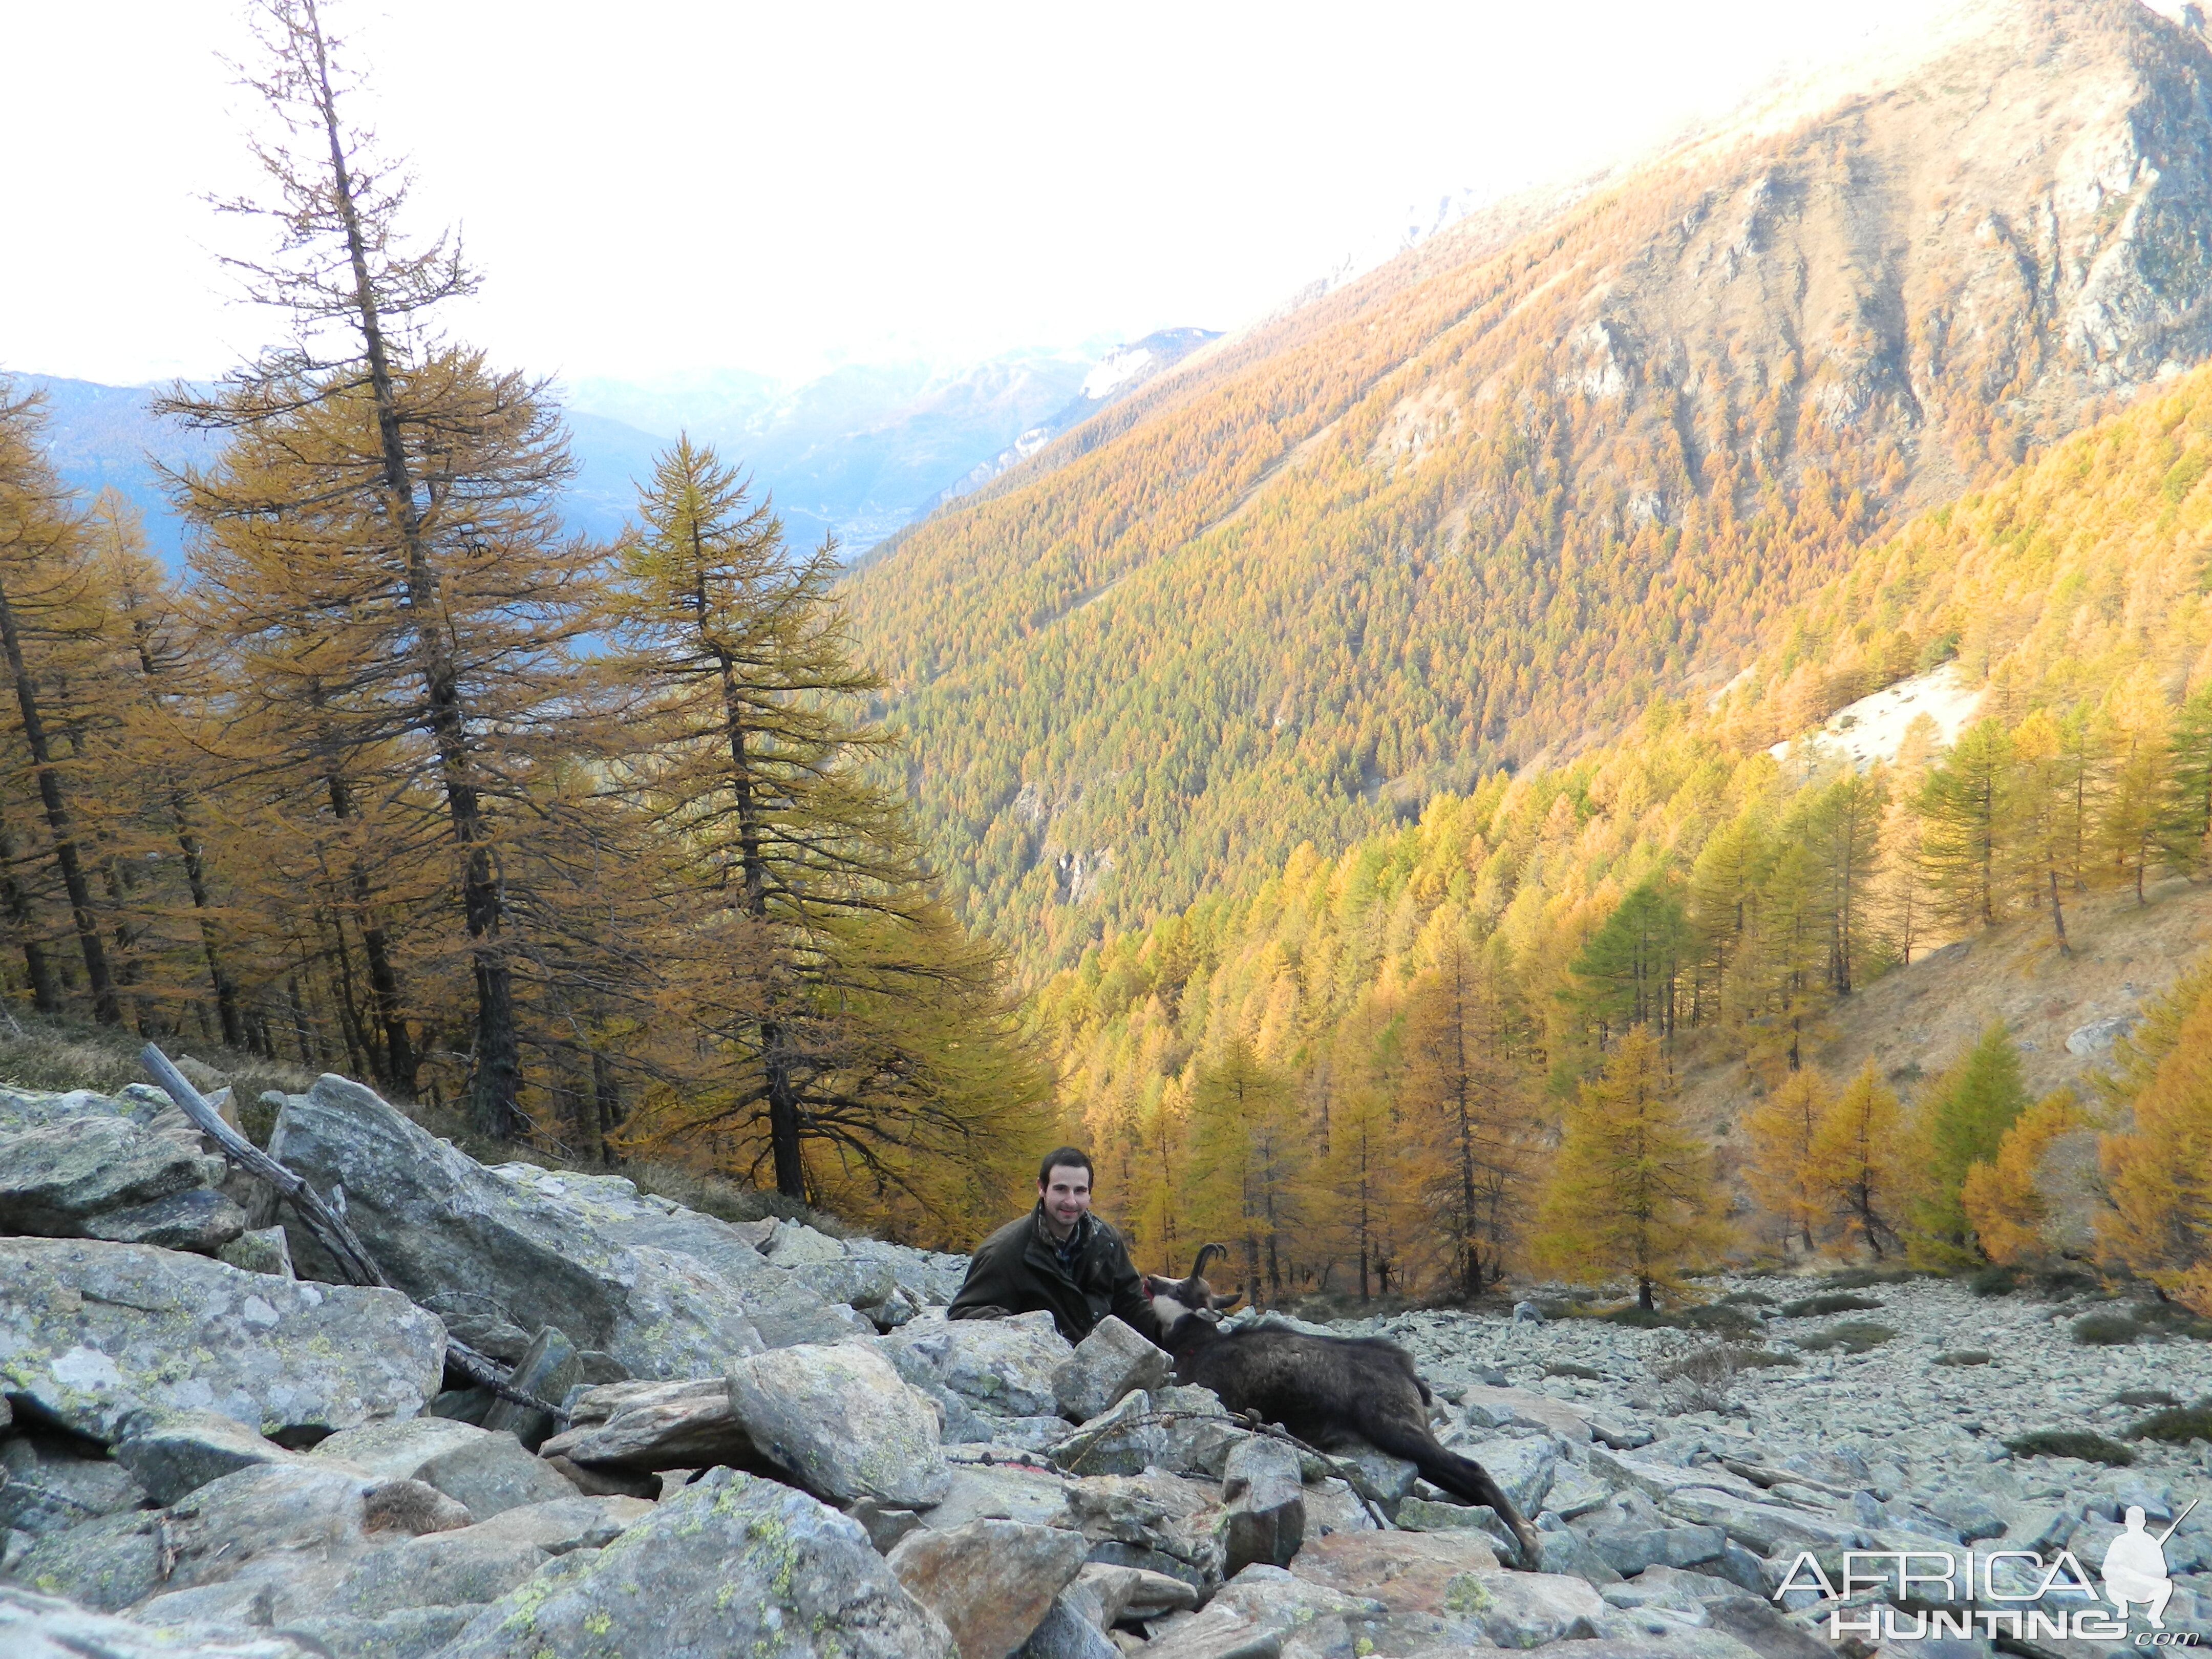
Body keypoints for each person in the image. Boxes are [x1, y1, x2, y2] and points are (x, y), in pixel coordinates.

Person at [946, 1146, 1160, 1345]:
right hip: (1038, 1371)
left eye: (1080, 1191)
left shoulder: (1107, 1240)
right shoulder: (1005, 1252)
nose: (1071, 1201)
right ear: (1042, 1188)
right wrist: (1033, 1333)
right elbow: (964, 1311)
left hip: (1101, 1366)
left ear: (1089, 1193)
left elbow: (1130, 1303)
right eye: (1061, 1189)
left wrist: (1170, 1333)